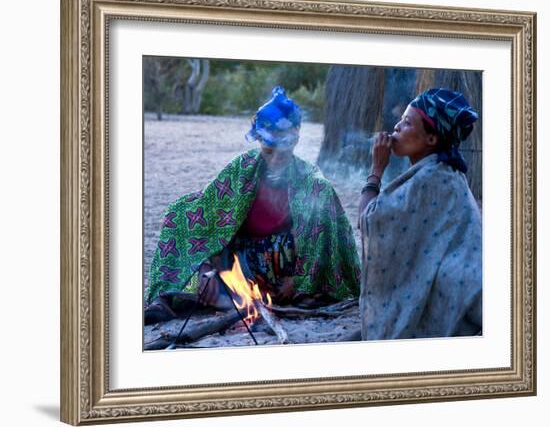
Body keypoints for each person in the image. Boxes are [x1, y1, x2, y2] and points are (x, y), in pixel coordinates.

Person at [145, 86, 360, 323]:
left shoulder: (311, 182)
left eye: (283, 151)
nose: (276, 159)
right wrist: (208, 264)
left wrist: (297, 278)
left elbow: (324, 238)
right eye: (269, 151)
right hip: (244, 265)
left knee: (322, 205)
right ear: (259, 143)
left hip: (288, 271)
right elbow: (210, 214)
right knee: (178, 214)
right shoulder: (242, 168)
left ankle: (296, 295)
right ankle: (163, 300)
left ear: (296, 141)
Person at [358, 88, 482, 340]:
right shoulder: (445, 172)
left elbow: (368, 220)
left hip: (458, 294)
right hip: (464, 286)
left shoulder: (428, 179)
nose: (396, 127)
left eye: (407, 123)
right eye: (400, 120)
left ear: (432, 140)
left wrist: (377, 169)